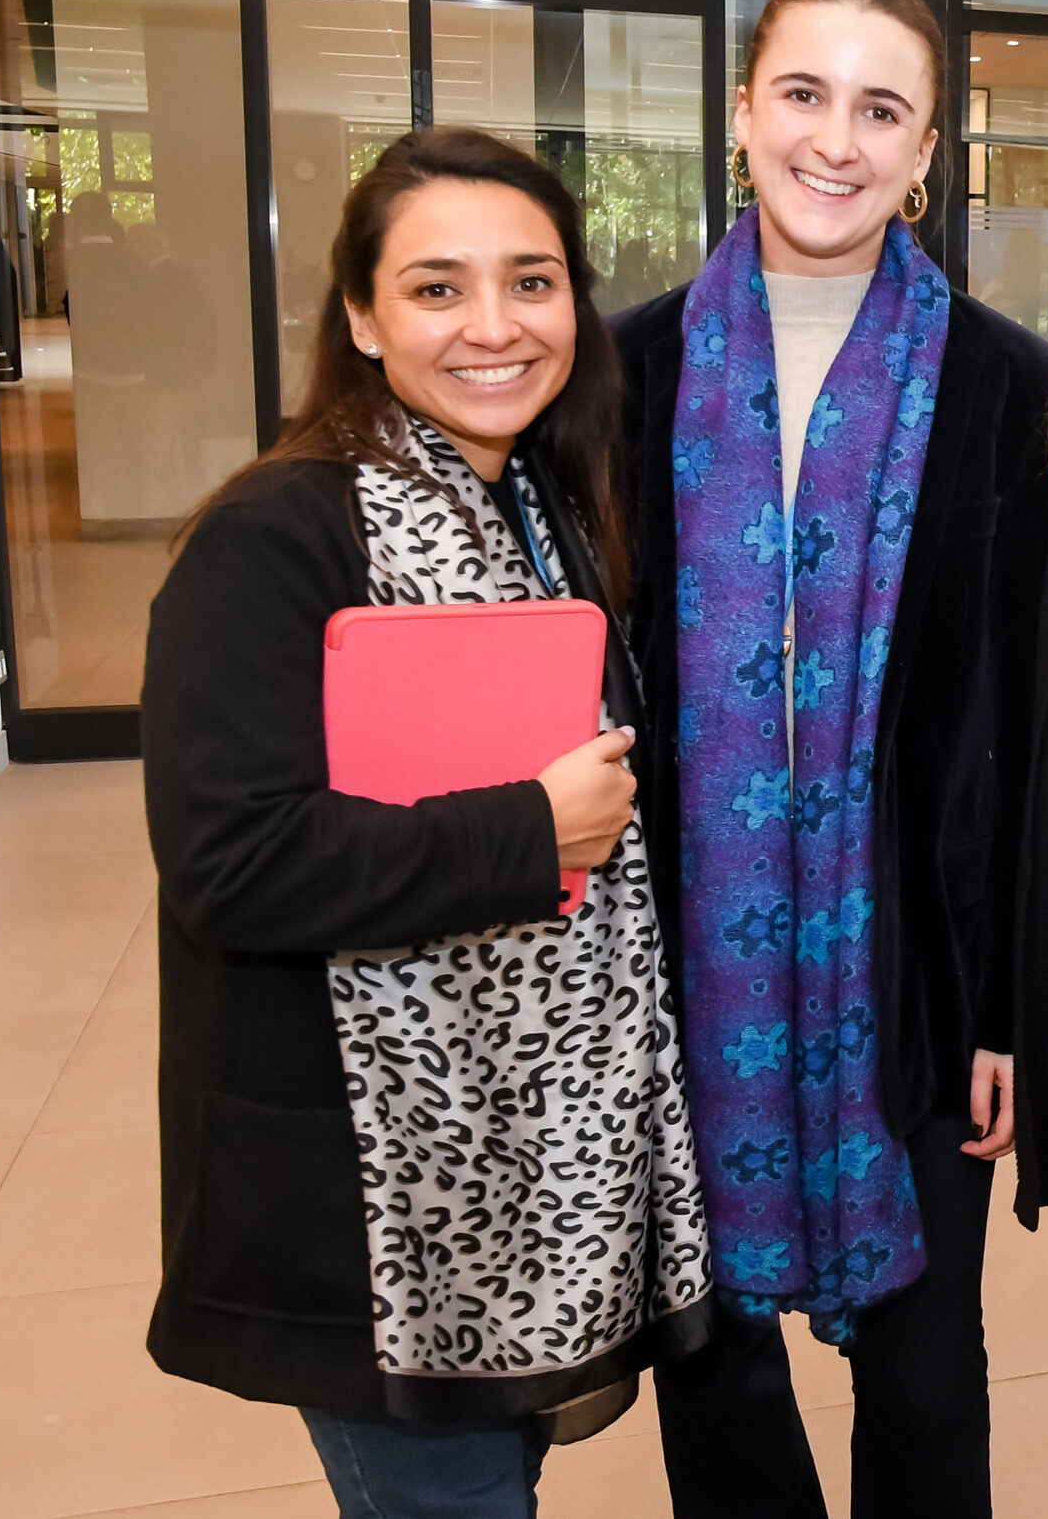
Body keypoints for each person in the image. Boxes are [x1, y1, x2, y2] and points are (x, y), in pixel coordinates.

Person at [142, 127, 709, 1515]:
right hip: (377, 1193)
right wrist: (530, 830)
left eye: (532, 282)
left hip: (533, 1165)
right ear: (360, 316)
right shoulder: (277, 536)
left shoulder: (545, 508)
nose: (494, 326)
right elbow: (232, 864)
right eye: (437, 288)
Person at [610, 0, 1048, 1518]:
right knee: (714, 1374)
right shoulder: (624, 377)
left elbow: (1031, 735)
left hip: (921, 975)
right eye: (804, 94)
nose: (835, 139)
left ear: (927, 150)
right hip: (683, 972)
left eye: (882, 110)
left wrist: (1009, 1007)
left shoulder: (1017, 390)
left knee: (929, 1381)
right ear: (743, 110)